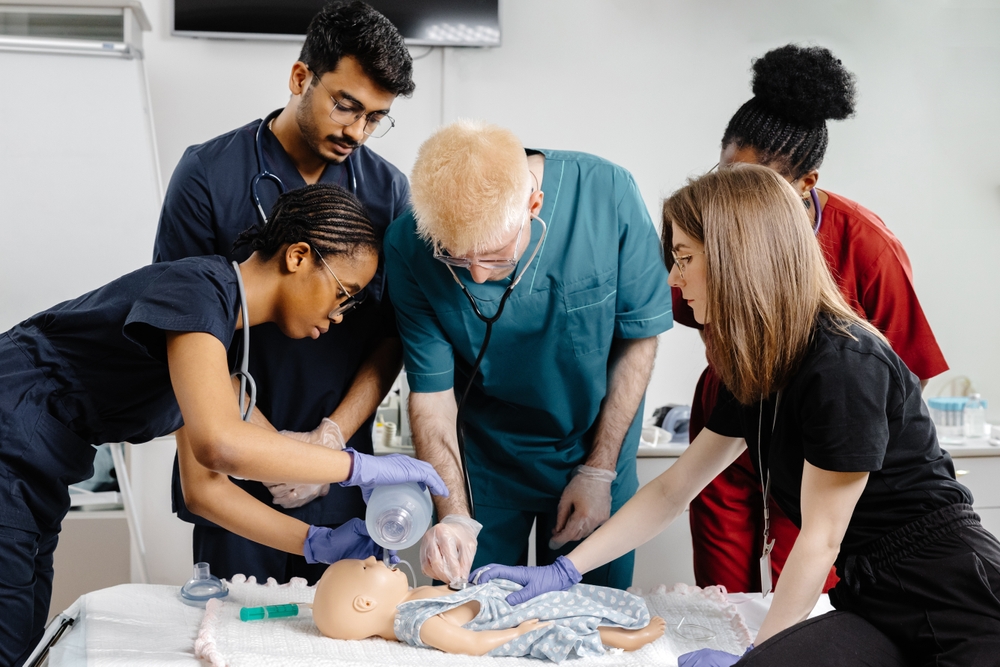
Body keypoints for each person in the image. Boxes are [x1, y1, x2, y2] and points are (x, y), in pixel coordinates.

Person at [472, 165, 1000, 667]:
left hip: (956, 595)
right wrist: (565, 569)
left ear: (734, 256)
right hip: (875, 599)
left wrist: (758, 658)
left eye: (683, 258)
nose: (675, 281)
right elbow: (672, 490)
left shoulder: (843, 365)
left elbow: (821, 539)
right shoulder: (764, 367)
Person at [0, 184, 448, 667]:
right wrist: (356, 466)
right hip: (10, 447)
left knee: (22, 639)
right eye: (344, 293)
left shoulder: (220, 341)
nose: (340, 314)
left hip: (37, 475)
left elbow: (205, 490)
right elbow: (220, 444)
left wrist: (313, 542)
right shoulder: (196, 290)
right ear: (298, 256)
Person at [153, 1, 415, 584]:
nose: (357, 131)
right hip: (235, 464)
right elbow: (184, 333)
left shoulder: (387, 193)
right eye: (345, 106)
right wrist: (270, 453)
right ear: (301, 78)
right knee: (238, 633)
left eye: (376, 118)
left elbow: (392, 335)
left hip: (341, 468)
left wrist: (329, 444)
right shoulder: (208, 175)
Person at [679, 44, 948, 594]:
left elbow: (900, 374)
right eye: (727, 174)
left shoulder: (868, 246)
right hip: (734, 404)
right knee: (720, 586)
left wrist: (846, 451)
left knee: (802, 579)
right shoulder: (706, 226)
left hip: (817, 430)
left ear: (807, 182)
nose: (733, 200)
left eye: (759, 184)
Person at [384, 120, 674, 589]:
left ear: (533, 205)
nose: (477, 276)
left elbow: (638, 339)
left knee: (593, 625)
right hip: (486, 467)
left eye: (496, 256)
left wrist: (599, 471)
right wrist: (455, 516)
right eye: (457, 259)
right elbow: (432, 397)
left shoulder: (605, 195)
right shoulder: (408, 244)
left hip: (596, 447)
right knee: (472, 614)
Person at [311, 555, 665, 661]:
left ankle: (625, 622)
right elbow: (471, 644)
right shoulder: (414, 622)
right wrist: (519, 632)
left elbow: (454, 597)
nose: (372, 557)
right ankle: (633, 637)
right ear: (366, 603)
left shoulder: (409, 599)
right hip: (514, 621)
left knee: (578, 599)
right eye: (364, 567)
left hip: (505, 600)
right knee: (572, 626)